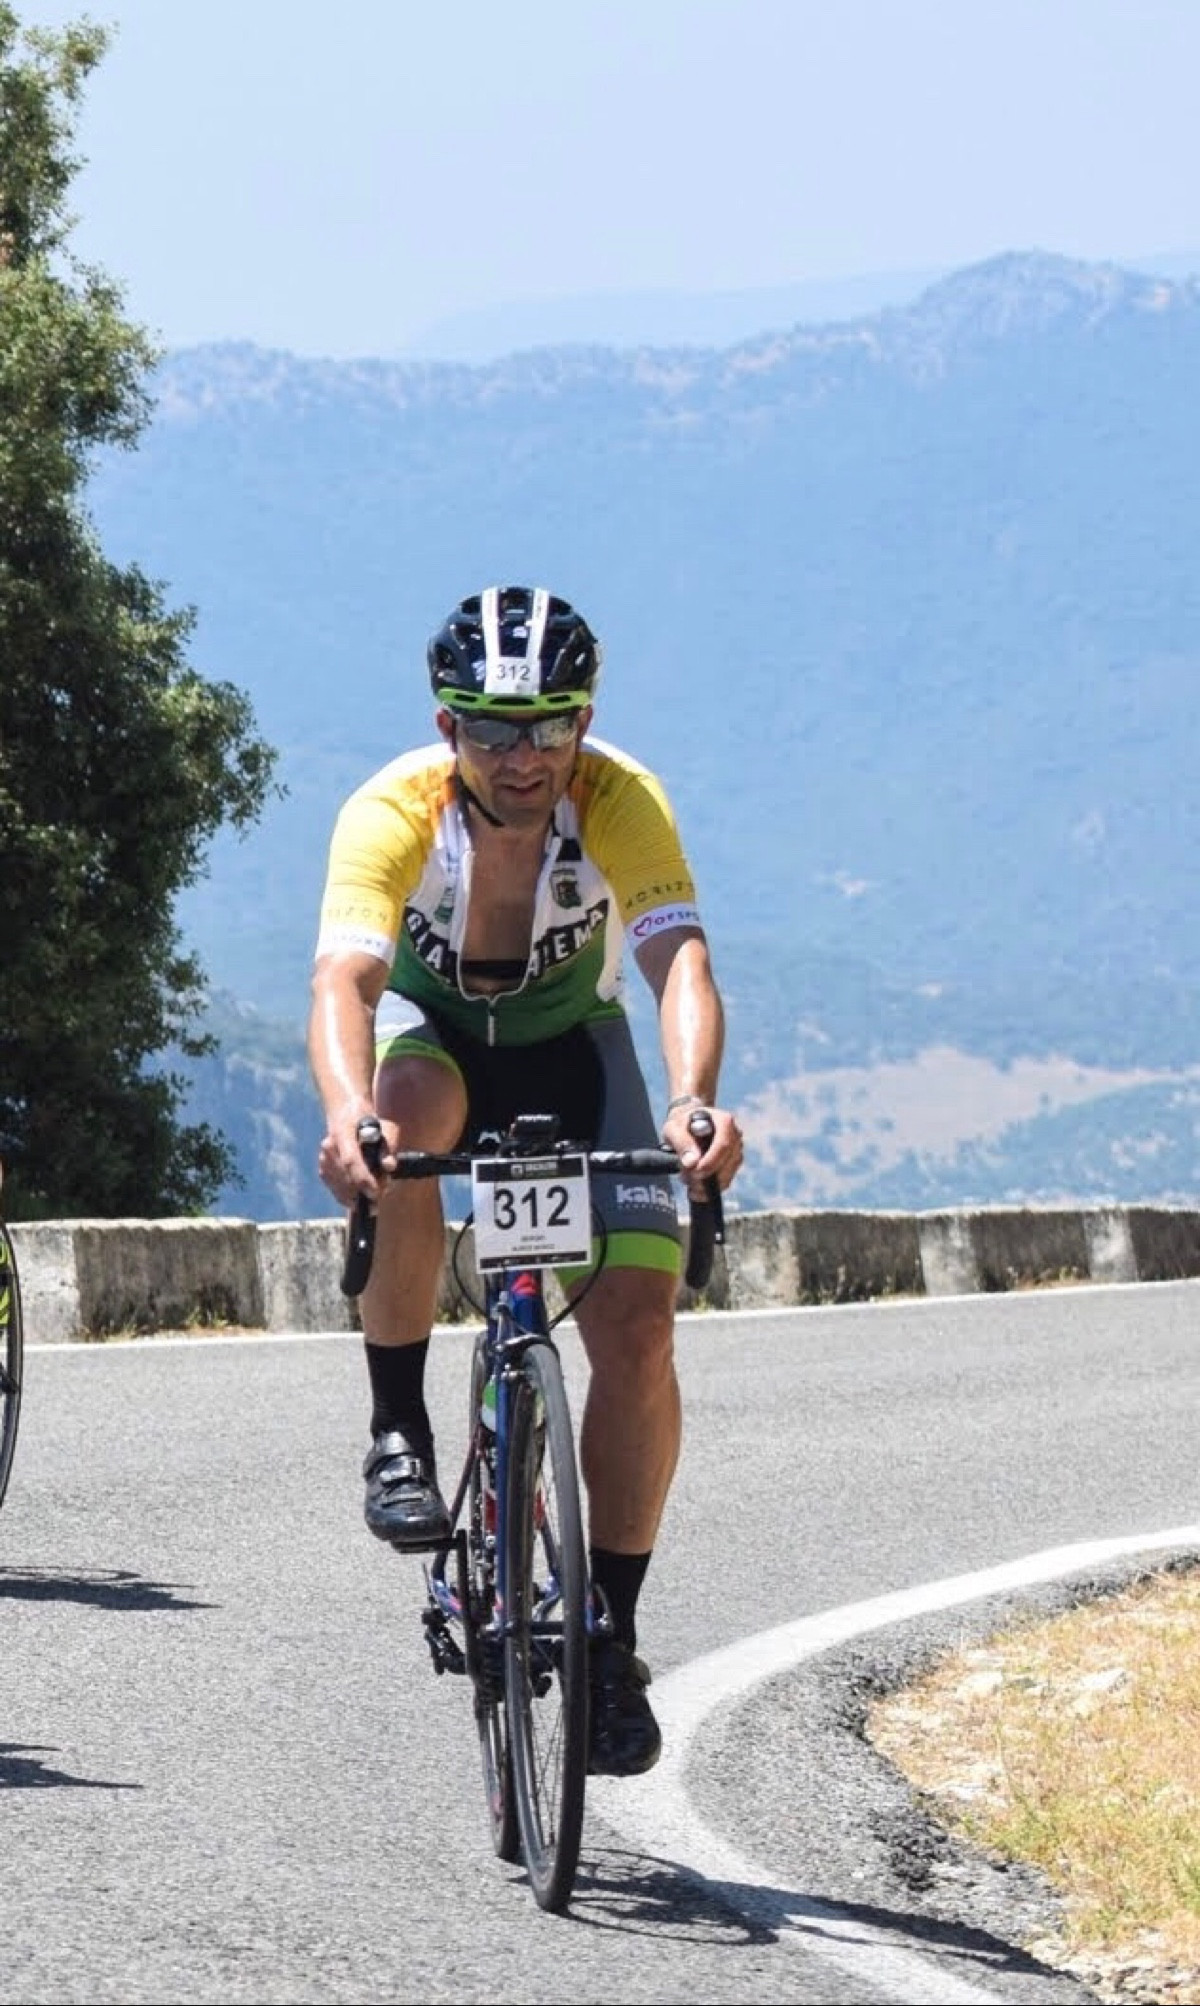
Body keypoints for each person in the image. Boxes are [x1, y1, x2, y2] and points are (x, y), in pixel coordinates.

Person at [308, 583, 742, 1776]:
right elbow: (344, 983)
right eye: (494, 729)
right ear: (447, 725)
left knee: (641, 1330)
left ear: (583, 720)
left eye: (550, 726)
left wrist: (693, 1098)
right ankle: (399, 1431)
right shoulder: (392, 809)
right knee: (403, 1128)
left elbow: (677, 960)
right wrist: (348, 1114)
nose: (523, 755)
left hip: (571, 1047)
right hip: (437, 1036)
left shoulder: (620, 798)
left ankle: (609, 1641)